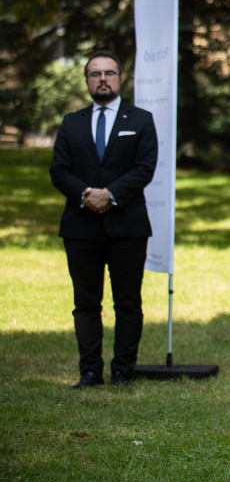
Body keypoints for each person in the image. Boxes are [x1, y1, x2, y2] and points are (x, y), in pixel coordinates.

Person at [49, 51, 158, 388]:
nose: (103, 79)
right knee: (85, 303)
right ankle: (90, 372)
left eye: (109, 73)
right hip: (80, 227)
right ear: (87, 81)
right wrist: (86, 194)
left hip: (127, 226)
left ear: (120, 78)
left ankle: (123, 371)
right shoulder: (72, 122)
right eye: (95, 74)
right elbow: (59, 171)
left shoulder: (141, 120)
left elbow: (144, 168)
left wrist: (109, 194)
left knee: (128, 302)